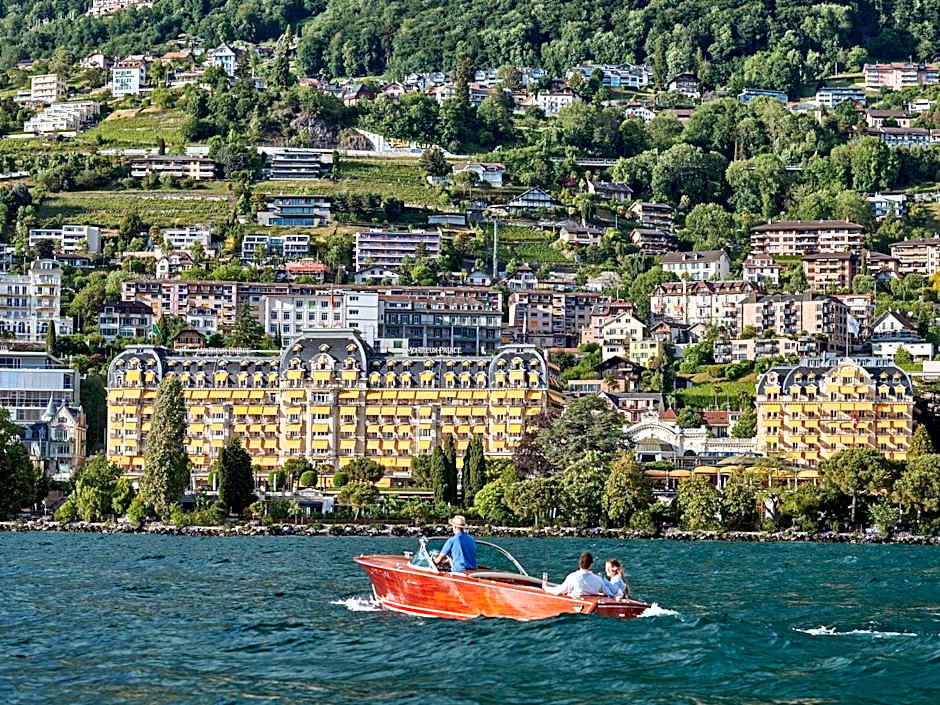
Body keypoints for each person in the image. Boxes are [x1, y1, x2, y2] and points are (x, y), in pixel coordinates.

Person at [542, 551, 615, 598]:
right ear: (591, 565)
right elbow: (610, 594)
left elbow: (559, 591)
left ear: (579, 563)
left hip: (578, 602)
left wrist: (546, 588)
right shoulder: (598, 579)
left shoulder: (573, 577)